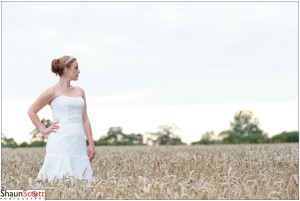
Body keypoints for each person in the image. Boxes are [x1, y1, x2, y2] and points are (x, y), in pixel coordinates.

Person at [27, 55, 95, 182]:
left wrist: (91, 143)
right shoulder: (51, 91)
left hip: (78, 142)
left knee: (81, 182)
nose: (79, 71)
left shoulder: (80, 91)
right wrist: (43, 129)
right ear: (67, 70)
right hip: (60, 141)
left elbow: (85, 119)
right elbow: (31, 111)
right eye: (76, 68)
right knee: (56, 179)